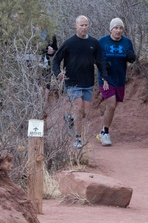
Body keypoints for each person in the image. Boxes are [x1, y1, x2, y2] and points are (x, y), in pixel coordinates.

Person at [51, 15, 107, 149]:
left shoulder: (94, 43)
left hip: (87, 82)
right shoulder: (69, 43)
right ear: (75, 26)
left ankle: (70, 118)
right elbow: (56, 59)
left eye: (86, 25)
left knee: (84, 113)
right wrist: (58, 73)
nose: (84, 27)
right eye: (81, 25)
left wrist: (104, 76)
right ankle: (78, 138)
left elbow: (100, 61)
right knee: (78, 107)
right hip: (72, 82)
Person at [95, 17, 137, 146]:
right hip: (106, 79)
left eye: (120, 28)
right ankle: (105, 133)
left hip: (120, 78)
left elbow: (131, 57)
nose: (118, 31)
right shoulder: (102, 42)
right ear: (111, 29)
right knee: (111, 105)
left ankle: (102, 131)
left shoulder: (127, 42)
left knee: (113, 107)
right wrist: (103, 70)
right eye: (116, 28)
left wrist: (131, 57)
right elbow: (96, 59)